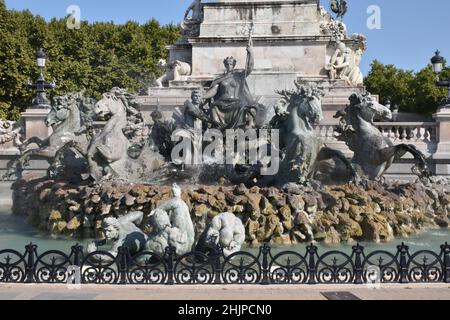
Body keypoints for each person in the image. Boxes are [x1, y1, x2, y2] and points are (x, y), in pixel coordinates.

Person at [203, 45, 256, 130]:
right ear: (225, 65)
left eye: (231, 64)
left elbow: (250, 67)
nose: (229, 65)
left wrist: (251, 53)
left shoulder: (239, 76)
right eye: (227, 64)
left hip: (236, 102)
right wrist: (203, 96)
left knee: (242, 106)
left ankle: (238, 129)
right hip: (222, 103)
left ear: (234, 65)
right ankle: (217, 128)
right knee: (213, 107)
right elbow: (214, 90)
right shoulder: (220, 79)